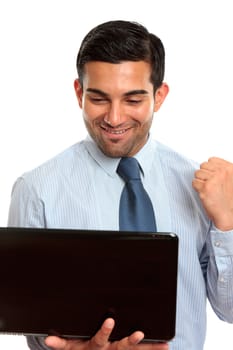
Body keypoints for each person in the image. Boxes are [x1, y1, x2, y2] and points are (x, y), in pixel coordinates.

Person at [8, 20, 233, 350]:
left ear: (159, 96)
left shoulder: (201, 186)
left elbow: (229, 312)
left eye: (133, 100)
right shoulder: (36, 189)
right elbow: (30, 320)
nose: (114, 119)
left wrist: (227, 224)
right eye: (99, 98)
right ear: (79, 93)